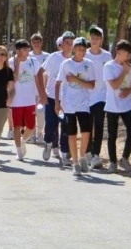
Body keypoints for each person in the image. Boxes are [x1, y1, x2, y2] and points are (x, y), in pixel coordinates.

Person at [56, 37, 96, 177]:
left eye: (84, 50)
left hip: (83, 103)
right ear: (74, 49)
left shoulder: (89, 64)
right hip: (69, 104)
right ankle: (75, 164)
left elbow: (91, 85)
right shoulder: (66, 64)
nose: (82, 52)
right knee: (71, 133)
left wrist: (76, 80)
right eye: (79, 49)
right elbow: (58, 82)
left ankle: (82, 156)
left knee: (86, 131)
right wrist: (57, 102)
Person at [8, 39, 47, 161]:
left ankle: (23, 140)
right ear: (18, 51)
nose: (27, 51)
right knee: (17, 126)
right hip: (17, 100)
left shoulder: (33, 61)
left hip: (30, 99)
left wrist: (41, 93)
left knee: (31, 126)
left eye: (27, 49)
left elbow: (37, 77)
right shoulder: (11, 61)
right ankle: (18, 149)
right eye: (24, 49)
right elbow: (13, 79)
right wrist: (18, 63)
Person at [103, 40, 131, 173]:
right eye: (127, 53)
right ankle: (113, 162)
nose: (129, 57)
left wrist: (129, 90)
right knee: (112, 135)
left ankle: (125, 159)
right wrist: (124, 72)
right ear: (119, 52)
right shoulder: (108, 66)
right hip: (112, 105)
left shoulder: (130, 66)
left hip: (127, 105)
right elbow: (114, 85)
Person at [41, 32, 75, 163]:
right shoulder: (54, 57)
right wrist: (42, 92)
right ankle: (48, 143)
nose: (69, 46)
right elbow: (42, 73)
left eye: (72, 43)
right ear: (62, 44)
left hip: (67, 99)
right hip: (51, 97)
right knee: (51, 124)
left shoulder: (75, 60)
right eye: (67, 43)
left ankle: (65, 153)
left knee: (66, 126)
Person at [84, 25, 112, 169]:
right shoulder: (84, 54)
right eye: (92, 38)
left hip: (101, 96)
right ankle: (87, 151)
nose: (94, 40)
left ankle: (96, 154)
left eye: (97, 38)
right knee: (87, 126)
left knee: (99, 125)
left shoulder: (107, 56)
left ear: (102, 40)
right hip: (85, 96)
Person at [29, 33, 49, 144]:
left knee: (41, 113)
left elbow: (48, 73)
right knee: (31, 113)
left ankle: (40, 132)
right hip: (30, 91)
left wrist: (45, 90)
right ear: (31, 43)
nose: (36, 44)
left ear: (41, 43)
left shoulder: (47, 56)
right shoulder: (28, 56)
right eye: (34, 42)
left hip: (43, 90)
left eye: (38, 42)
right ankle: (32, 133)